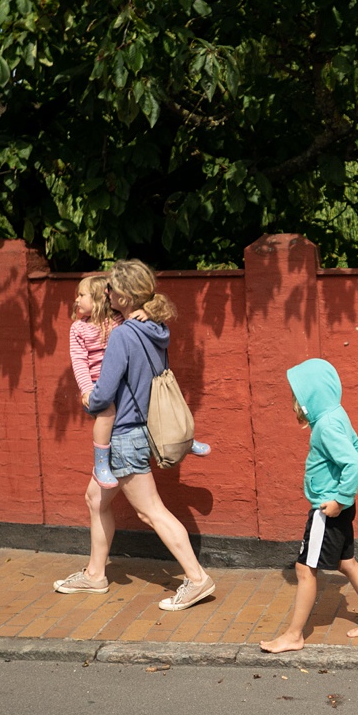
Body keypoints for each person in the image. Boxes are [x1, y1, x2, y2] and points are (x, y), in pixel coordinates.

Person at [53, 260, 216, 611]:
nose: (105, 292)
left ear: (124, 296)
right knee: (95, 499)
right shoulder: (153, 327)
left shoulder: (125, 334)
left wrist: (87, 399)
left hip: (126, 433)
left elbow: (104, 392)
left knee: (151, 511)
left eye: (110, 288)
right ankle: (96, 574)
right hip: (142, 428)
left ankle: (197, 578)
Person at [260, 358, 358, 652]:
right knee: (346, 563)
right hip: (338, 506)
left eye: (298, 396)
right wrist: (345, 499)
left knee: (304, 569)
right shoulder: (335, 415)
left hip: (327, 511)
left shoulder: (325, 427)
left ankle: (294, 636)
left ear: (311, 396)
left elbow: (354, 464)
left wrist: (340, 500)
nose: (294, 401)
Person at [69, 275, 125, 490]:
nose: (77, 299)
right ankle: (101, 463)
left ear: (99, 299)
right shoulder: (78, 329)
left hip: (121, 380)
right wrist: (87, 389)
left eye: (82, 295)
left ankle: (179, 438)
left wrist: (145, 312)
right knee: (106, 411)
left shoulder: (118, 320)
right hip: (96, 383)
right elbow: (79, 361)